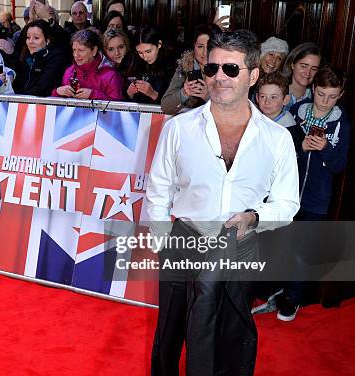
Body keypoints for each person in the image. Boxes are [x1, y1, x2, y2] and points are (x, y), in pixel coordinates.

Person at [147, 30, 299, 376]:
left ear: (254, 75)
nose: (219, 77)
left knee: (230, 333)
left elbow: (288, 203)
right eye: (212, 68)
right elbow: (158, 187)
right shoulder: (179, 128)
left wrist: (254, 217)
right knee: (170, 333)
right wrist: (160, 242)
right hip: (183, 239)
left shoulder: (276, 139)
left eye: (231, 69)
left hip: (241, 245)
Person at [279, 65, 351, 321]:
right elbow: (282, 148)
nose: (325, 101)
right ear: (312, 89)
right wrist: (301, 145)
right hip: (287, 192)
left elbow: (339, 165)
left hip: (317, 199)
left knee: (302, 250)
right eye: (321, 94)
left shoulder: (341, 123)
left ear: (340, 94)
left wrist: (324, 149)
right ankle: (279, 288)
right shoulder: (298, 111)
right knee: (283, 243)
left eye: (332, 96)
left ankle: (293, 298)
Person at [161, 23, 221, 115]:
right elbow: (165, 107)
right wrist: (183, 93)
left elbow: (233, 111)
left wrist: (208, 97)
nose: (205, 52)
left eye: (210, 47)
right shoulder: (185, 67)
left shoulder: (225, 70)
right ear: (194, 46)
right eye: (200, 47)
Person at [53, 29, 123, 101]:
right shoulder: (69, 72)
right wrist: (57, 92)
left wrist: (93, 94)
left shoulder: (110, 75)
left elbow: (117, 107)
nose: (76, 55)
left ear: (94, 51)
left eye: (81, 50)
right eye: (74, 50)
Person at [13, 19, 67, 96]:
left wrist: (18, 97)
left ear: (47, 40)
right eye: (28, 37)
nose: (30, 41)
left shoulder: (57, 58)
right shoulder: (24, 56)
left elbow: (43, 88)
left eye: (36, 38)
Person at [125, 27, 172, 104]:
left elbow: (175, 102)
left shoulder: (171, 66)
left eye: (148, 51)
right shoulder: (135, 62)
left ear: (159, 44)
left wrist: (153, 94)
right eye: (140, 52)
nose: (145, 57)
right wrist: (130, 93)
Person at [281, 42, 322, 111]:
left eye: (314, 69)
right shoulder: (275, 91)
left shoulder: (318, 97)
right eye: (303, 66)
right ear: (292, 65)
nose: (308, 73)